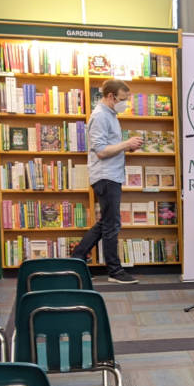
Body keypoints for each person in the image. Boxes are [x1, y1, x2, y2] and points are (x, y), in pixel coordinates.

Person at [71, 80, 143, 283]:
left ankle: (76, 259)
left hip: (112, 175)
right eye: (122, 99)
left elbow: (109, 147)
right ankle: (114, 271)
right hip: (105, 175)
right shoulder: (101, 116)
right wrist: (126, 143)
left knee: (106, 223)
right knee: (112, 224)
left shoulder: (111, 115)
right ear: (110, 96)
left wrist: (128, 147)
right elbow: (101, 151)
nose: (125, 103)